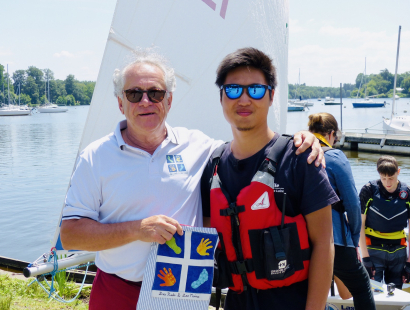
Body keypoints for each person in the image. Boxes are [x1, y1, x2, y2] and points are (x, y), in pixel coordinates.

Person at [59, 48, 324, 310]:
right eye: (133, 93)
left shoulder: (201, 148)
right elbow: (70, 236)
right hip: (119, 291)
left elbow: (249, 145)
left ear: (169, 100)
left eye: (155, 93)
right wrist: (136, 230)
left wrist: (303, 137)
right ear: (120, 103)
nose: (145, 101)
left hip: (183, 292)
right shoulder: (94, 157)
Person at [201, 47, 337, 310]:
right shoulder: (212, 167)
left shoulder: (300, 159)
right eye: (232, 90)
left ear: (271, 96)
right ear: (221, 97)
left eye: (255, 90)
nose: (243, 99)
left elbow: (324, 243)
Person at [308, 112, 376, 310]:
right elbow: (353, 204)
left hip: (302, 239)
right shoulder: (335, 157)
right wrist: (354, 239)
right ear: (330, 135)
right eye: (335, 138)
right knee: (362, 287)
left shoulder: (297, 154)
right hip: (335, 240)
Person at [359, 155, 410, 289]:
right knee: (371, 292)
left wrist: (409, 261)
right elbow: (360, 225)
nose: (387, 183)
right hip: (373, 250)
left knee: (397, 293)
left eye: (391, 178)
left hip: (399, 251)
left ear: (398, 172)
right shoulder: (368, 190)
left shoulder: (407, 193)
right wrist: (365, 258)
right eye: (383, 178)